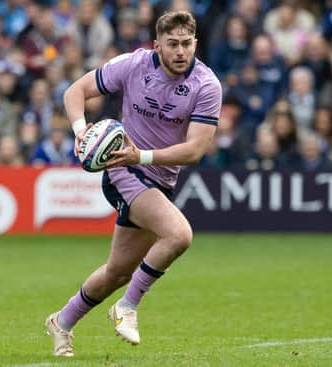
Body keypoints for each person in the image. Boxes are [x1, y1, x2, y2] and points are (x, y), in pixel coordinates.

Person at [44, 10, 222, 357]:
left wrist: (141, 156)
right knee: (179, 235)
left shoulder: (206, 85)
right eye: (173, 44)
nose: (181, 51)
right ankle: (127, 307)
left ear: (196, 43)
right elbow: (74, 92)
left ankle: (61, 322)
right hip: (122, 171)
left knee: (117, 271)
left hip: (151, 172)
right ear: (158, 45)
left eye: (187, 43)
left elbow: (195, 150)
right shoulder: (133, 65)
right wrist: (82, 131)